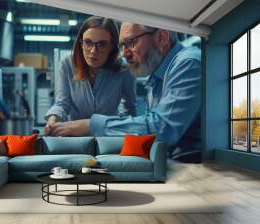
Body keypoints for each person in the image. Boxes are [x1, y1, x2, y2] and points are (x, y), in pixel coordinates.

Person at [49, 22, 202, 163]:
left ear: (161, 37)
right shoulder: (157, 75)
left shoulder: (188, 64)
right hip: (167, 158)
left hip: (190, 163)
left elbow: (161, 128)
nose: (124, 54)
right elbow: (62, 101)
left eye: (131, 43)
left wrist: (90, 125)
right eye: (123, 45)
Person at [44, 16, 137, 135]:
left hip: (108, 136)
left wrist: (122, 132)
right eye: (88, 42)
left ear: (112, 46)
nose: (93, 51)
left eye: (102, 44)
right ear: (81, 43)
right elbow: (62, 103)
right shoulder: (67, 64)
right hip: (74, 137)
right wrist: (52, 122)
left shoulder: (124, 69)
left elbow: (129, 110)